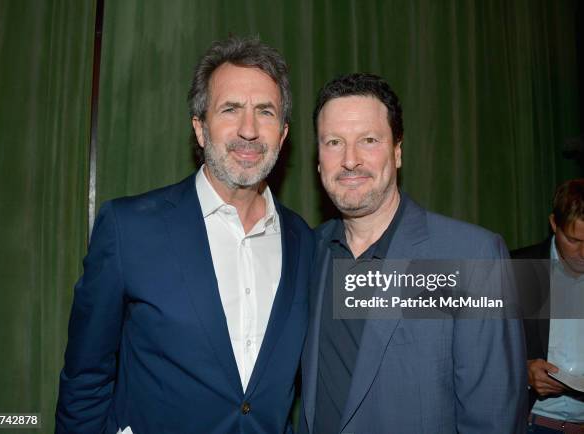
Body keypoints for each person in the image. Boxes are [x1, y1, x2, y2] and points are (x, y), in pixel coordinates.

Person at [55, 37, 313, 434]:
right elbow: (86, 378)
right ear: (200, 128)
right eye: (230, 109)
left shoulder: (304, 243)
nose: (249, 130)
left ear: (282, 133)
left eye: (265, 111)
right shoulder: (129, 228)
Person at [299, 73, 528, 433]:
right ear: (318, 160)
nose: (350, 160)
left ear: (398, 151)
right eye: (333, 142)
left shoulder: (473, 257)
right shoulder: (306, 252)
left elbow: (493, 419)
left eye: (369, 140)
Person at [512, 179, 584, 433]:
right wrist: (525, 371)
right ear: (554, 224)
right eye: (574, 240)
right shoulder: (517, 269)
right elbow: (485, 350)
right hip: (535, 423)